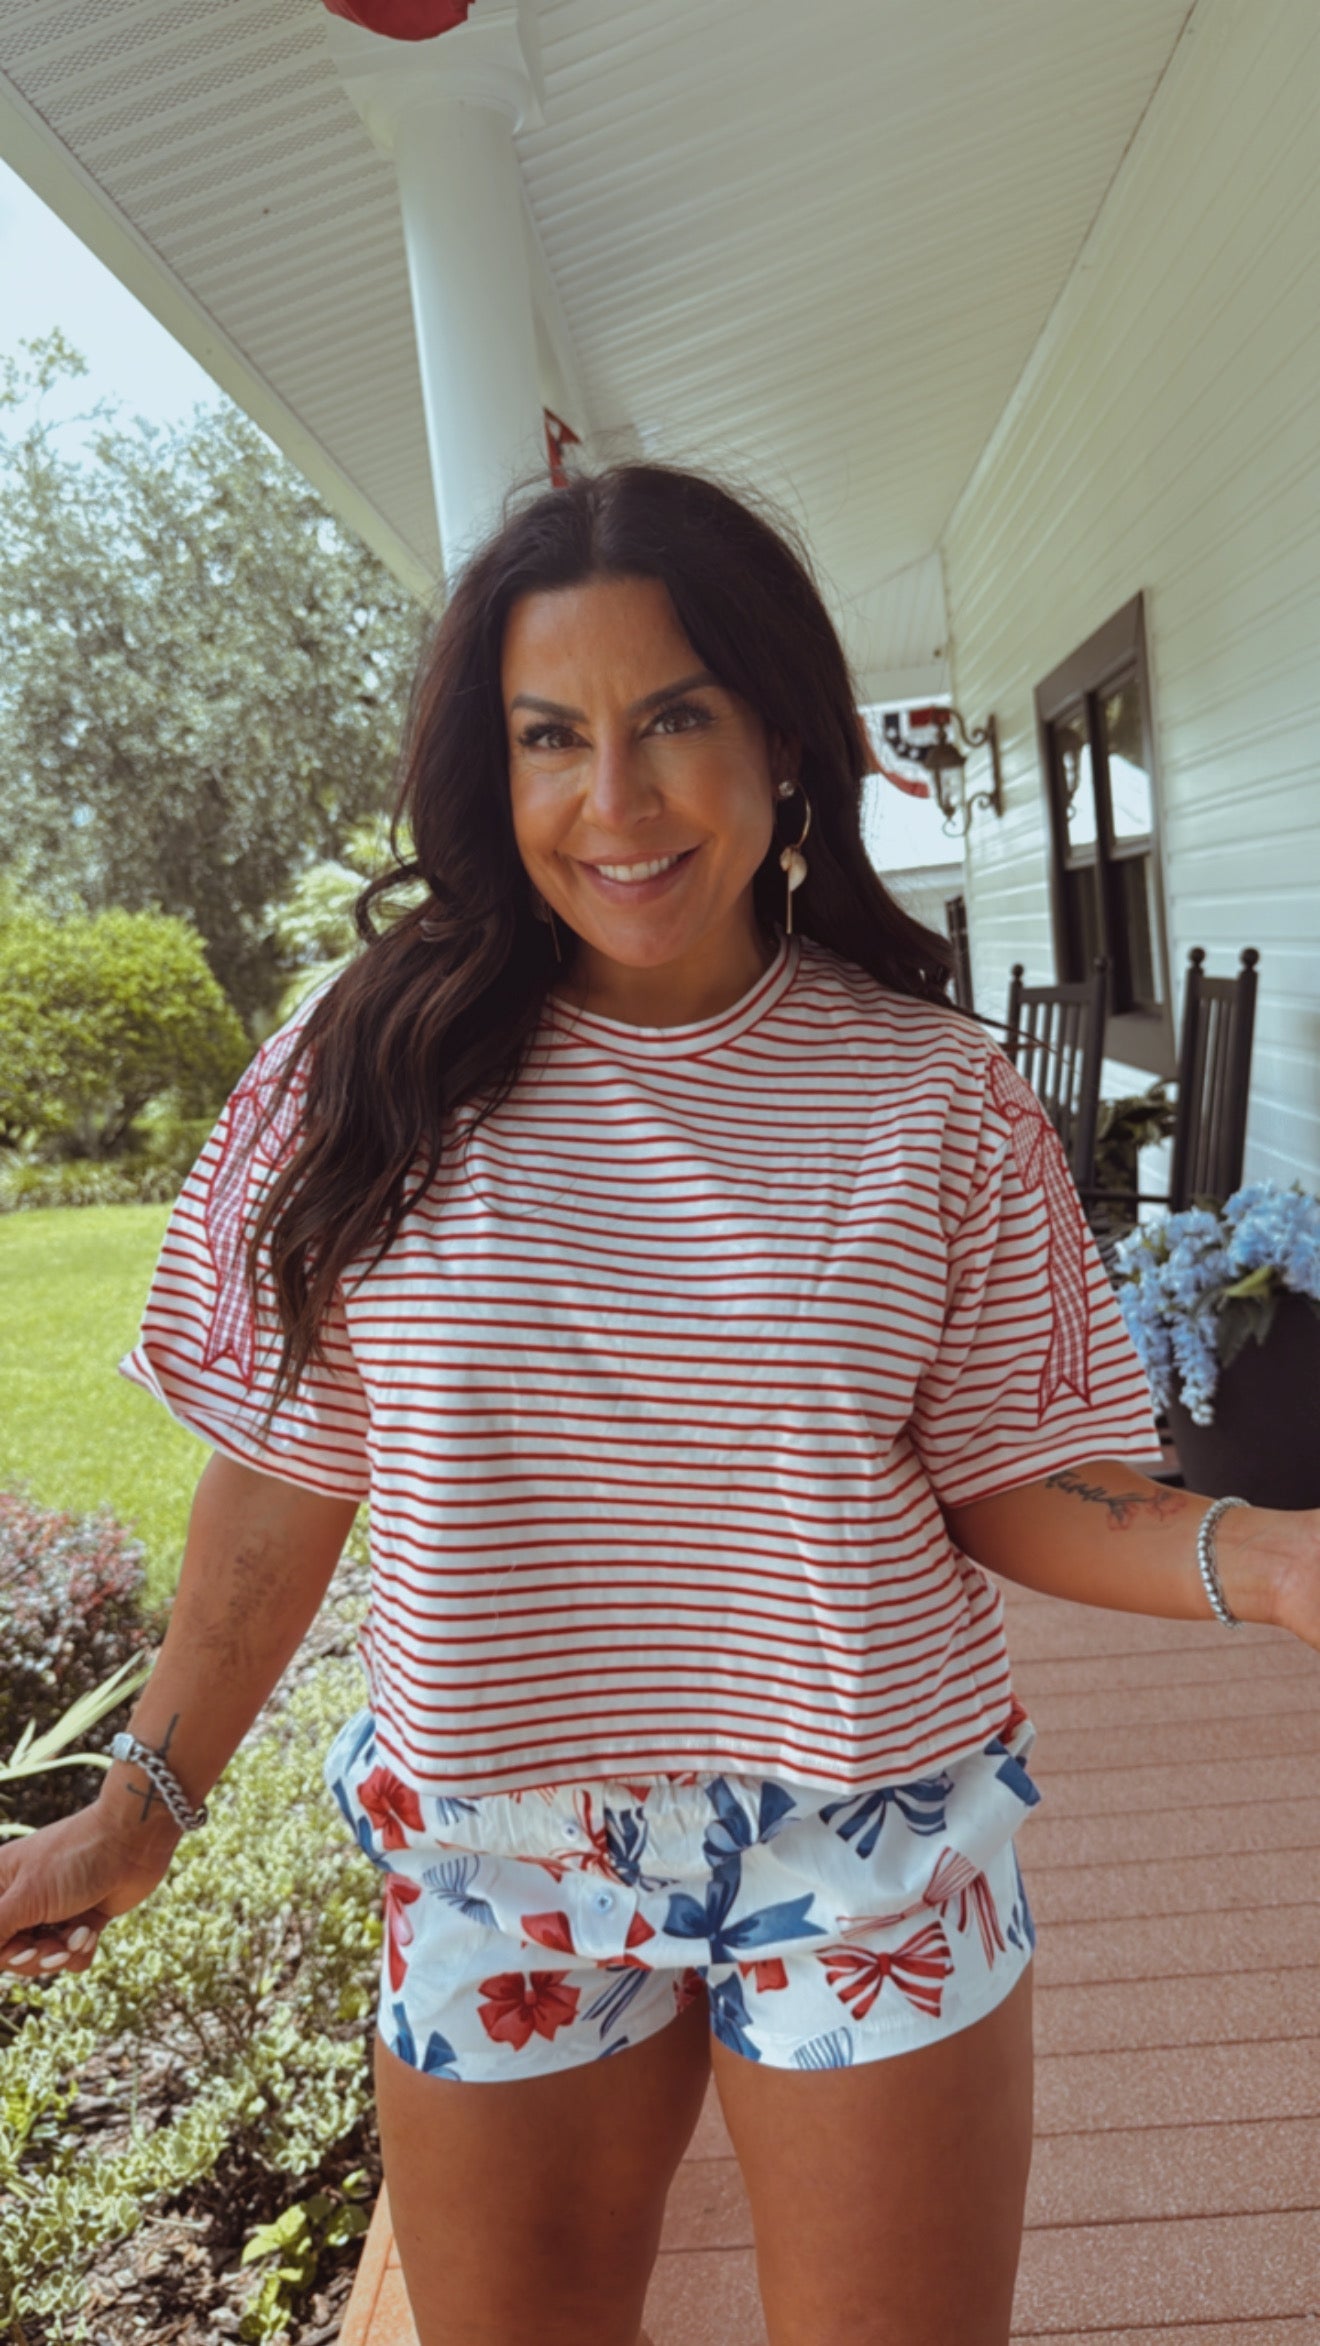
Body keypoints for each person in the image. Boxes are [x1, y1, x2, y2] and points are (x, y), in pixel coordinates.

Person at [1, 465, 1315, 2346]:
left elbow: (1008, 1483)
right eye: (552, 736)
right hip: (499, 1845)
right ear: (492, 768)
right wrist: (139, 1805)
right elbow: (282, 1483)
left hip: (862, 1836)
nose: (611, 801)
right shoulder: (361, 1070)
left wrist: (1264, 1562)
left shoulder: (932, 1099)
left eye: (673, 718)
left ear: (783, 740)